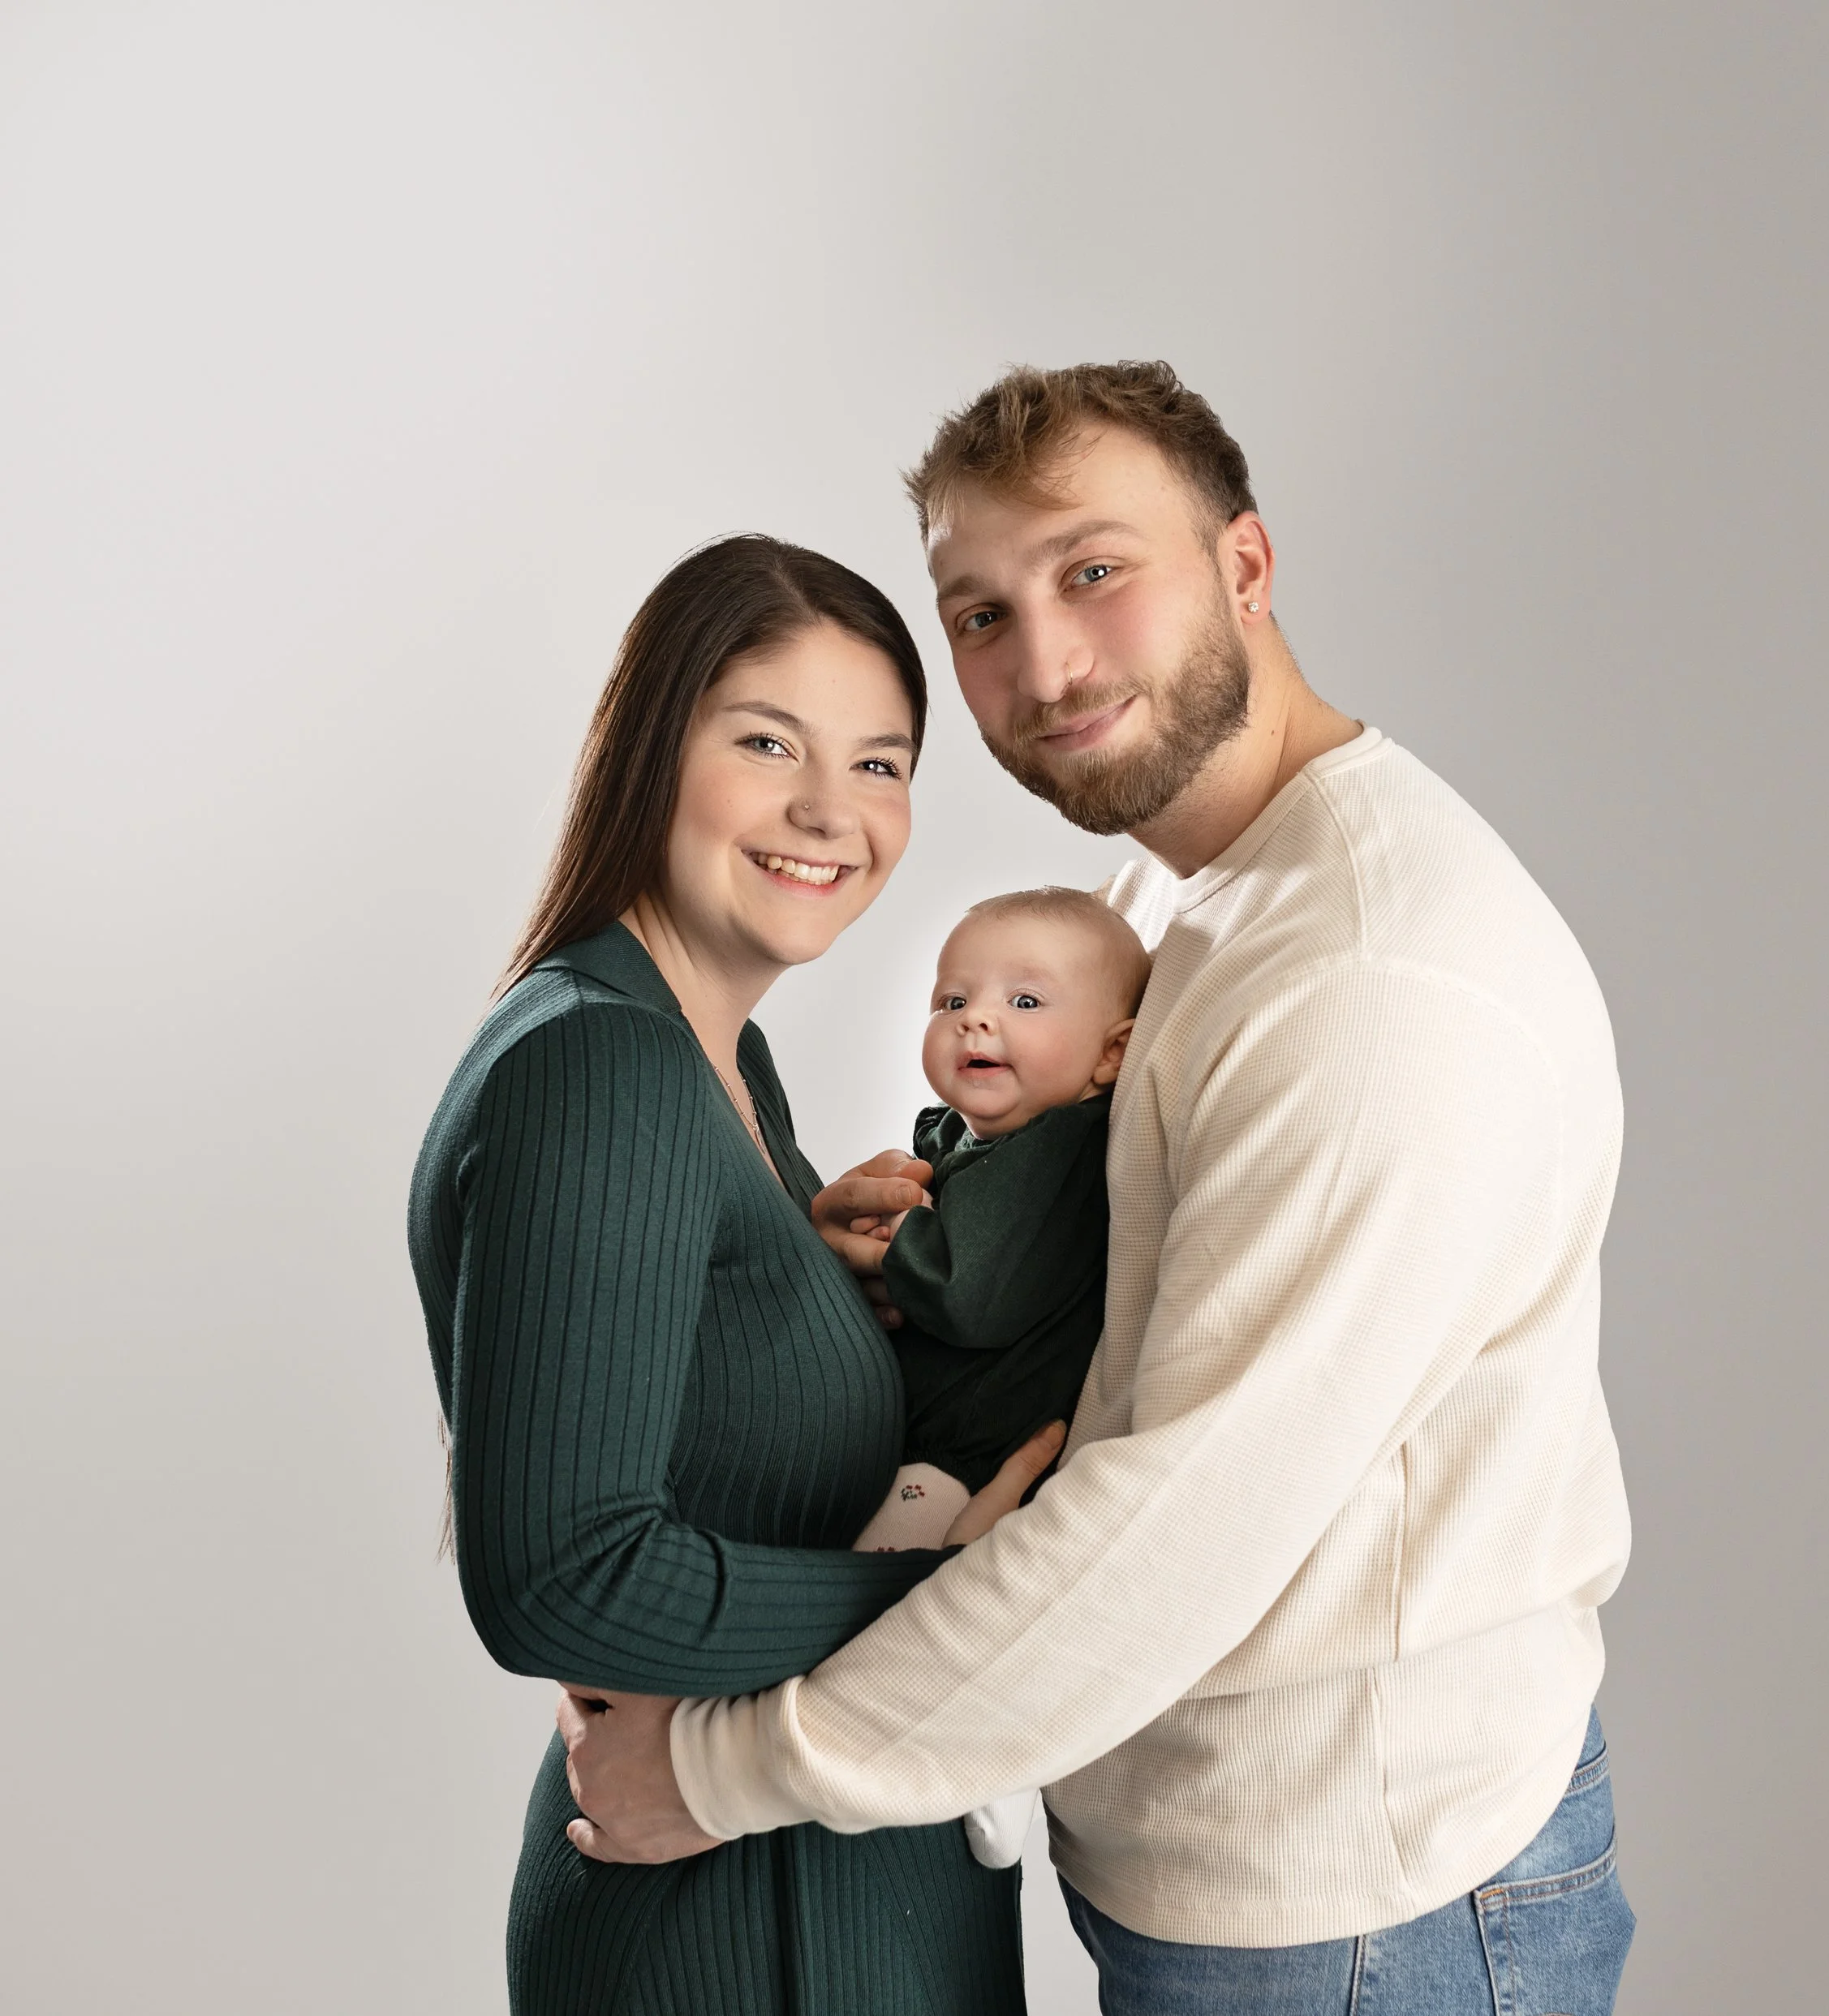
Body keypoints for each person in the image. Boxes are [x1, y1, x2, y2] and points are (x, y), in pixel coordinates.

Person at [560, 364, 1638, 2016]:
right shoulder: (1177, 889)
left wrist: (715, 1774)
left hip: (1370, 1916)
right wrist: (932, 1239)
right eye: (978, 612)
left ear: (1244, 570)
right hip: (1246, 1886)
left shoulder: (1368, 981)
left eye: (1091, 572)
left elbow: (1166, 1539)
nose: (1041, 666)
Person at [409, 534, 1057, 2016]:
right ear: (652, 745)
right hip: (746, 1926)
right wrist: (959, 1605)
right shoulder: (605, 1069)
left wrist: (815, 1287)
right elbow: (561, 1579)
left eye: (882, 763)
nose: (831, 812)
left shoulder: (719, 1062)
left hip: (815, 1887)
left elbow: (705, 1425)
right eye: (768, 741)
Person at [850, 886, 1149, 1868]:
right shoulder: (979, 1138)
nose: (976, 1017)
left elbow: (969, 1290)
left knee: (883, 1615)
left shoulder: (1057, 1147)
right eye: (953, 999)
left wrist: (890, 1248)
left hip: (970, 1452)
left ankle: (989, 1760)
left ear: (1109, 1055)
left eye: (1026, 1002)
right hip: (949, 1437)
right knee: (919, 1616)